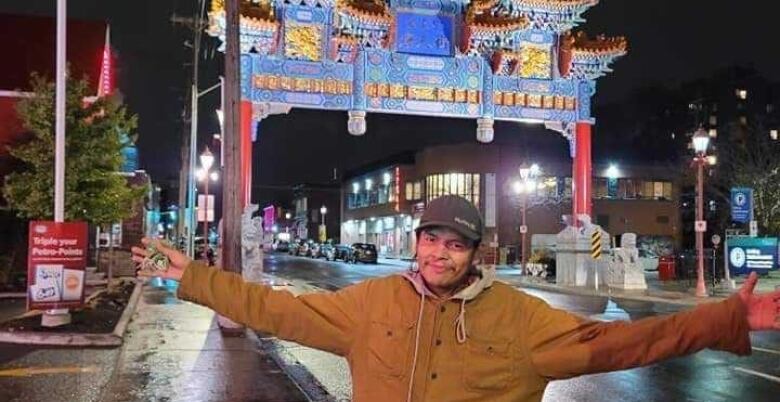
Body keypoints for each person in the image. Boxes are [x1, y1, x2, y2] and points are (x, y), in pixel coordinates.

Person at [132, 195, 780, 402]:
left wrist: (723, 315)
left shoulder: (522, 319)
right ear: (417, 243)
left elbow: (624, 342)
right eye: (429, 240)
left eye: (454, 244)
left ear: (477, 253)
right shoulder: (372, 304)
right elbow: (275, 310)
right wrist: (192, 275)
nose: (438, 253)